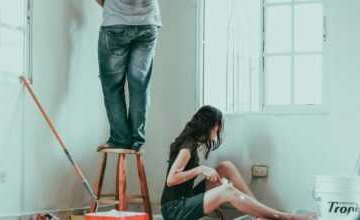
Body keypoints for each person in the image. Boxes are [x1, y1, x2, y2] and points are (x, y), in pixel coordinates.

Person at [160, 105, 316, 220]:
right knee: (227, 191)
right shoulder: (188, 147)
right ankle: (284, 217)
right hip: (174, 211)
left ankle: (256, 214)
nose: (219, 130)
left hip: (184, 200)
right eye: (218, 125)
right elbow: (171, 180)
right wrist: (200, 169)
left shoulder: (192, 143)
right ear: (211, 125)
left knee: (225, 167)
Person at [96, 0, 161, 151]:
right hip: (148, 22)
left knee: (112, 87)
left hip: (115, 22)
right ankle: (136, 139)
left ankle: (120, 139)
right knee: (140, 85)